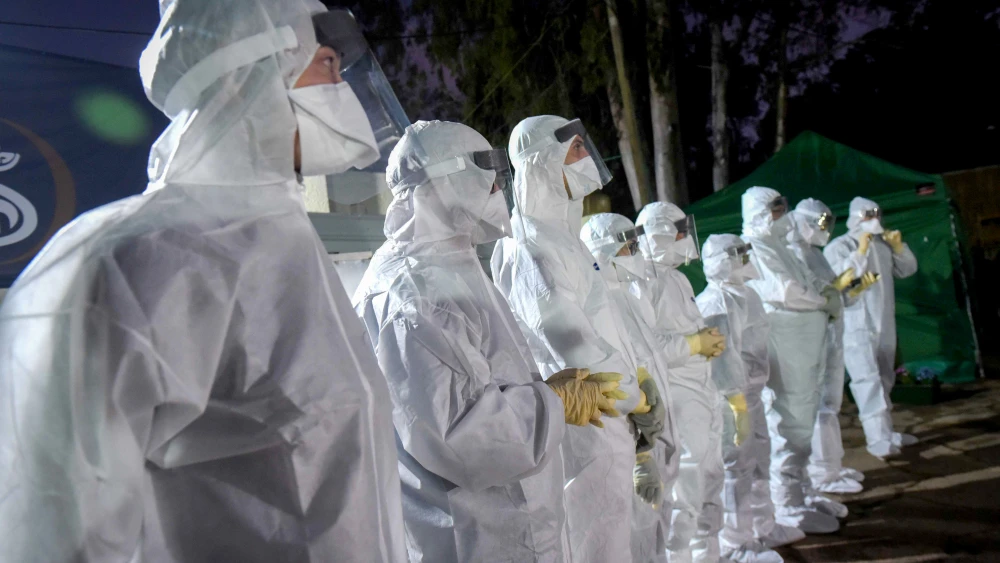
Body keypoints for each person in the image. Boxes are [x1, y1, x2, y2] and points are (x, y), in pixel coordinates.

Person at [0, 2, 409, 561]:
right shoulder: (130, 262)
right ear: (248, 73)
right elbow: (55, 531)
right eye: (327, 65)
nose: (342, 89)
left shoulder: (290, 249)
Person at [352, 120, 625, 562]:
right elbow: (460, 437)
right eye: (485, 168)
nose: (499, 182)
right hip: (476, 537)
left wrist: (547, 389)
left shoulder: (451, 263)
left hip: (514, 521)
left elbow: (489, 377)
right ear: (442, 178)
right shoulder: (410, 293)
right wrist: (554, 402)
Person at [491, 115, 650, 562]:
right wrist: (634, 395)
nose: (586, 159)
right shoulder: (530, 246)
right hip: (584, 415)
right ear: (541, 162)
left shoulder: (564, 239)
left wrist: (635, 381)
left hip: (607, 405)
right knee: (594, 532)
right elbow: (568, 336)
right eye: (575, 150)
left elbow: (602, 324)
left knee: (614, 527)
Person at [697, 234, 809, 563]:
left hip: (754, 394)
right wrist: (735, 401)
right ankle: (736, 541)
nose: (746, 257)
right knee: (736, 467)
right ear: (721, 260)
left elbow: (760, 346)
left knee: (760, 460)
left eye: (746, 251)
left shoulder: (748, 295)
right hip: (730, 399)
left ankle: (763, 525)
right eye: (738, 253)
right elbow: (718, 358)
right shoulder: (714, 302)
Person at [741, 187, 842, 535]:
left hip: (805, 347)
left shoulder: (782, 243)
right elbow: (785, 290)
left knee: (805, 419)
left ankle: (802, 491)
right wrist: (819, 300)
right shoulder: (755, 247)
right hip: (787, 346)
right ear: (758, 212)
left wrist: (823, 292)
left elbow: (806, 280)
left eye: (783, 206)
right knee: (789, 423)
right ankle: (787, 504)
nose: (782, 213)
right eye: (775, 208)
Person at [635, 202, 731, 563]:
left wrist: (701, 340)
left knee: (709, 475)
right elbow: (646, 346)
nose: (683, 237)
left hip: (700, 387)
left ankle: (710, 555)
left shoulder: (676, 277)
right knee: (684, 486)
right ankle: (680, 558)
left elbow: (677, 330)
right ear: (657, 233)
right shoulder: (643, 279)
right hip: (675, 393)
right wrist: (693, 344)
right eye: (676, 230)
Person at [580, 213, 677, 563]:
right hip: (632, 443)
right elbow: (615, 382)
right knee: (636, 534)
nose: (636, 251)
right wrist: (641, 455)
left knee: (655, 527)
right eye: (628, 246)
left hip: (653, 435)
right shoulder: (598, 304)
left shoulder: (627, 296)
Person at [787, 199, 876, 493]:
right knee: (818, 409)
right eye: (819, 223)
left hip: (831, 337)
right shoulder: (794, 255)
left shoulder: (815, 254)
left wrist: (854, 288)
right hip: (812, 341)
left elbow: (834, 294)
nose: (824, 229)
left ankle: (832, 467)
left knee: (830, 407)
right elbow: (810, 296)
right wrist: (836, 288)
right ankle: (821, 473)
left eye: (827, 223)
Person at [824, 197, 918, 459]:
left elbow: (907, 269)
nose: (874, 219)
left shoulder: (883, 246)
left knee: (885, 377)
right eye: (868, 215)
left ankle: (886, 432)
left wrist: (900, 248)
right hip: (856, 323)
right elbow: (836, 281)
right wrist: (860, 252)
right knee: (867, 380)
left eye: (877, 214)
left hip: (884, 321)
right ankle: (877, 439)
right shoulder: (839, 246)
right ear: (855, 217)